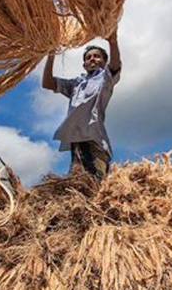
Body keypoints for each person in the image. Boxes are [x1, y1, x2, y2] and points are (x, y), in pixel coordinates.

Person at [42, 30, 121, 182]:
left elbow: (115, 65)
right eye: (89, 57)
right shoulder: (76, 84)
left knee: (95, 183)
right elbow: (47, 83)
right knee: (78, 183)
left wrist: (113, 41)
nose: (92, 59)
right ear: (84, 64)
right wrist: (51, 53)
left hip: (95, 140)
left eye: (97, 56)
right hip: (76, 141)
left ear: (104, 62)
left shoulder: (105, 78)